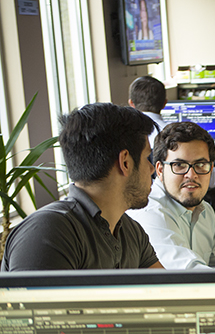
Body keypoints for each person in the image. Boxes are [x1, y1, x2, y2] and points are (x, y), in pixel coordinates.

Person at [1, 103, 163, 271]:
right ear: (125, 162)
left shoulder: (130, 231)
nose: (152, 169)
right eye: (146, 158)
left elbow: (168, 292)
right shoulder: (48, 232)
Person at [127, 122, 215, 269]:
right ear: (160, 170)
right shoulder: (150, 212)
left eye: (200, 165)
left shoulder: (204, 209)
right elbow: (188, 275)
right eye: (179, 165)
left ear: (211, 169)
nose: (191, 175)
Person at [128, 75, 215, 187]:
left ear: (131, 104)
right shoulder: (173, 135)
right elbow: (201, 177)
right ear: (164, 104)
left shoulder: (124, 136)